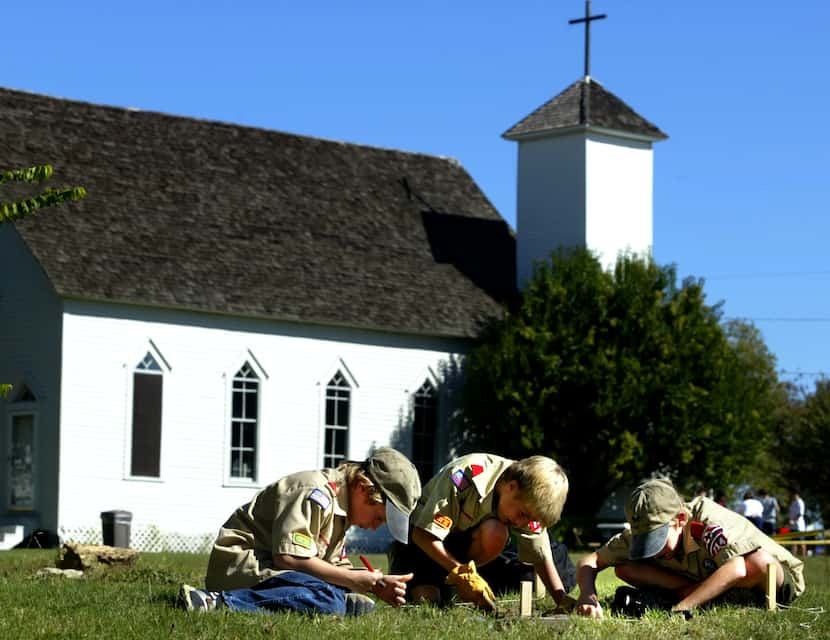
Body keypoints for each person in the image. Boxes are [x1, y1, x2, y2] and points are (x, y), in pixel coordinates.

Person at [179, 447, 421, 616]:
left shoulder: (342, 511)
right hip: (244, 564)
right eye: (379, 516)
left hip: (276, 571)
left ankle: (332, 601)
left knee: (333, 596)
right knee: (327, 597)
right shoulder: (313, 492)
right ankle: (214, 601)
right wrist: (352, 580)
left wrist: (375, 583)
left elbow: (334, 563)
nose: (377, 525)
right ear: (363, 488)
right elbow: (289, 558)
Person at [575, 478, 805, 618]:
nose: (652, 551)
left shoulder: (708, 519)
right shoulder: (639, 528)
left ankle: (695, 596)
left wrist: (682, 607)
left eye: (656, 538)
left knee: (758, 562)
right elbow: (589, 562)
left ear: (680, 519)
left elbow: (738, 568)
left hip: (771, 581)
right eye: (643, 540)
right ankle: (698, 593)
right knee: (625, 567)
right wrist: (587, 596)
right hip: (703, 579)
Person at [388, 453, 571, 611]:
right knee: (428, 601)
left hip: (461, 550)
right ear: (511, 487)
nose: (520, 523)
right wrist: (463, 574)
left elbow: (539, 555)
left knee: (496, 533)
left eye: (529, 520)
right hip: (421, 545)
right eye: (522, 514)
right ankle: (447, 584)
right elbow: (422, 535)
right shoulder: (465, 475)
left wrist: (562, 601)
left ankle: (455, 589)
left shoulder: (527, 500)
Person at [788, 488, 807, 557]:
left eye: (793, 494)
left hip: (799, 526)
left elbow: (800, 514)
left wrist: (794, 521)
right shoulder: (793, 502)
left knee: (802, 542)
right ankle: (794, 556)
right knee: (794, 542)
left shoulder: (800, 502)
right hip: (793, 526)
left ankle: (804, 556)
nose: (792, 496)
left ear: (797, 494)